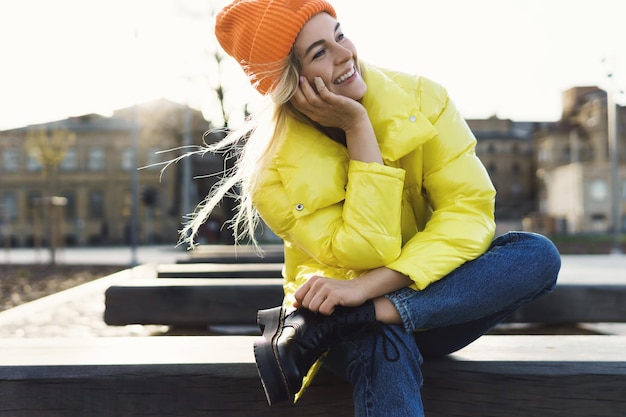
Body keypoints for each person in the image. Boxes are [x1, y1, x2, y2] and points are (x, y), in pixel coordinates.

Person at [184, 0, 562, 415]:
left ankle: (367, 315)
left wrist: (366, 296)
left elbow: (468, 212)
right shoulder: (272, 171)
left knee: (536, 253)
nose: (345, 54)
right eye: (319, 52)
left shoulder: (423, 99)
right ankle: (359, 320)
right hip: (336, 319)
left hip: (428, 304)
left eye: (339, 34)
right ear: (291, 83)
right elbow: (365, 250)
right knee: (382, 342)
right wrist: (358, 127)